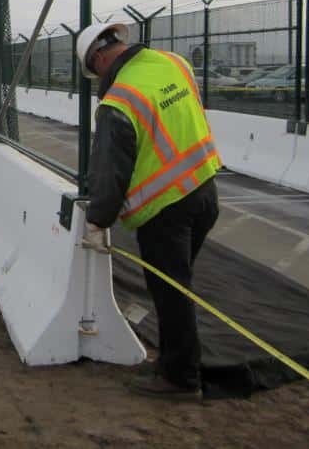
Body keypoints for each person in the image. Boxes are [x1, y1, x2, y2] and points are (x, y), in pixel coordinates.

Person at [78, 22, 221, 400]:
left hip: (165, 210)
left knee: (170, 291)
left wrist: (97, 220)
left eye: (95, 72)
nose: (98, 80)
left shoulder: (118, 102)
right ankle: (176, 357)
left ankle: (180, 378)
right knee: (177, 286)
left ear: (100, 58)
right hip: (206, 188)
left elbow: (110, 174)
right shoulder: (173, 64)